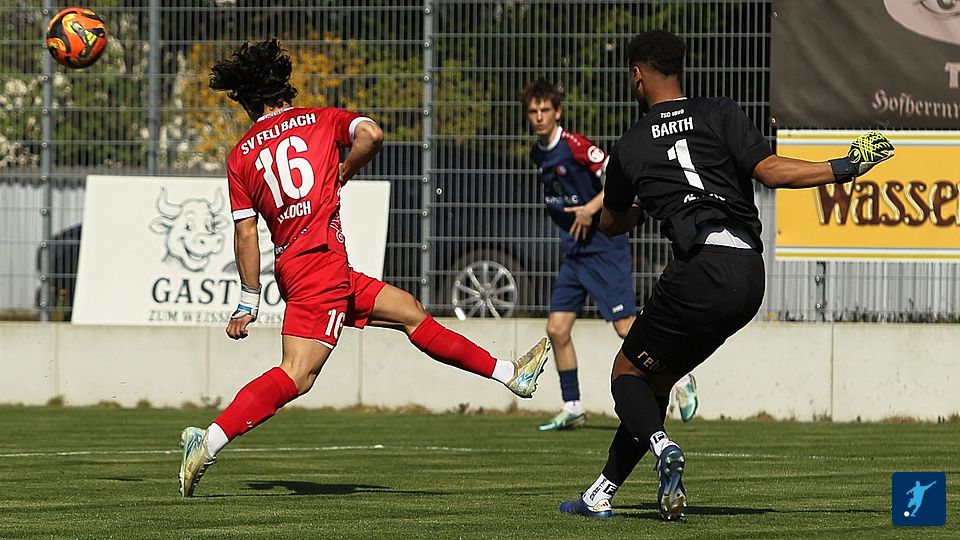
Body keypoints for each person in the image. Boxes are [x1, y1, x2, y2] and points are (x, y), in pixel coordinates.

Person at [178, 39, 551, 498]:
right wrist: (346, 169)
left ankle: (511, 374)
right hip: (321, 265)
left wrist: (248, 300)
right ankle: (209, 440)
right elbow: (371, 135)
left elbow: (246, 233)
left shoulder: (240, 156)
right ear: (284, 87)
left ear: (247, 102)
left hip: (302, 266)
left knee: (409, 311)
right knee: (297, 373)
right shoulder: (320, 119)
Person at [558, 29, 893, 521]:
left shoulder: (629, 146)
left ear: (637, 75)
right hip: (749, 276)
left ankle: (662, 446)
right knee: (656, 381)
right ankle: (601, 493)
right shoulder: (720, 112)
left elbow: (611, 222)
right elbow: (772, 171)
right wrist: (846, 165)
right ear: (680, 70)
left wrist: (648, 202)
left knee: (625, 374)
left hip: (700, 271)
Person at [520, 79, 699, 431]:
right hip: (574, 251)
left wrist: (590, 209)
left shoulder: (575, 146)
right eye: (533, 111)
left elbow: (617, 174)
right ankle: (573, 407)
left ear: (558, 113)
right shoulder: (538, 153)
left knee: (624, 326)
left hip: (603, 247)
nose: (539, 117)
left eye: (545, 110)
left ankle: (681, 377)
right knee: (557, 328)